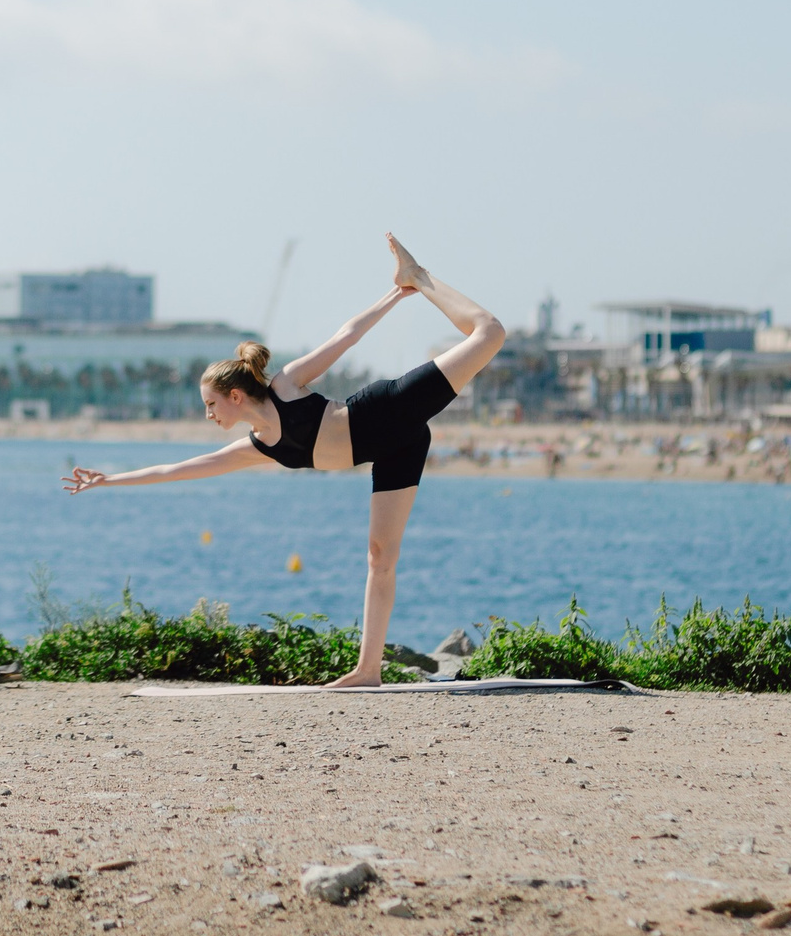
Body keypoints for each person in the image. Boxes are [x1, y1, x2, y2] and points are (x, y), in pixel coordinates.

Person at [61, 234, 504, 687]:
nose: (208, 415)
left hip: (390, 409)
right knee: (380, 557)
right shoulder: (256, 447)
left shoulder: (287, 386)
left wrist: (398, 292)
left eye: (211, 405)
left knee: (490, 333)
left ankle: (420, 277)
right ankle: (368, 670)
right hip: (396, 449)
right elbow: (178, 469)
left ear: (235, 396)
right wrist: (108, 480)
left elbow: (345, 338)